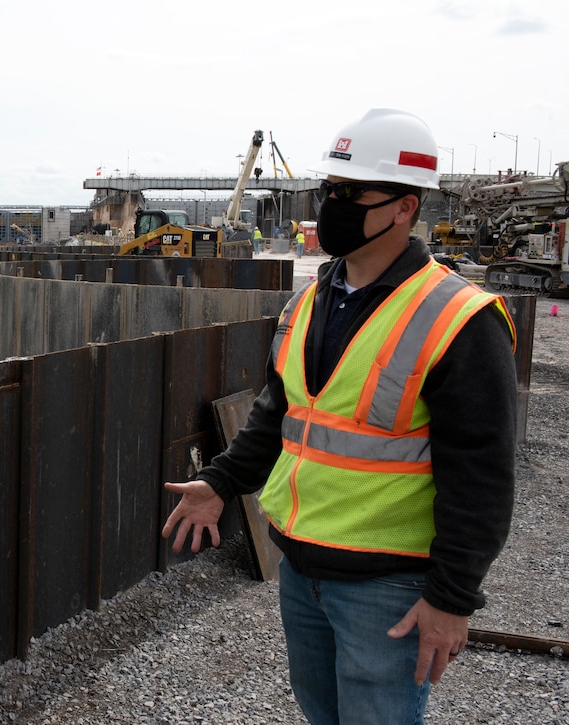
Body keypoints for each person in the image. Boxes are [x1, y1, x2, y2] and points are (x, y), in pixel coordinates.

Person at [162, 108, 517, 724]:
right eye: (329, 191)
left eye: (352, 193)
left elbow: (482, 474)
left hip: (389, 584)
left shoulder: (459, 318)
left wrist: (453, 597)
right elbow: (281, 415)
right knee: (321, 712)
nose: (333, 205)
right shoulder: (310, 301)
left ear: (406, 207)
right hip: (301, 567)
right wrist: (220, 482)